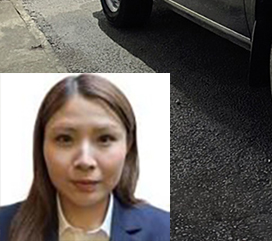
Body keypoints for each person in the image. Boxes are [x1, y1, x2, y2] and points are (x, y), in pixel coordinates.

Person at [0, 74, 169, 241]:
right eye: (65, 139)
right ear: (41, 144)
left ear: (128, 144)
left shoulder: (165, 230)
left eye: (105, 139)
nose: (85, 161)